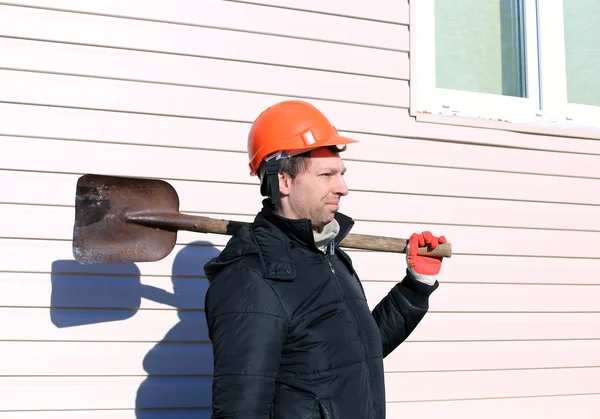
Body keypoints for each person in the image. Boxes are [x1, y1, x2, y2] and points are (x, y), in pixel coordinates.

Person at [204, 100, 447, 418]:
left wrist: (416, 286)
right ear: (284, 181)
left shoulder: (329, 256)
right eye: (327, 175)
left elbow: (353, 355)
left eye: (341, 174)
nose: (343, 188)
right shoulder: (251, 279)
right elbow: (242, 410)